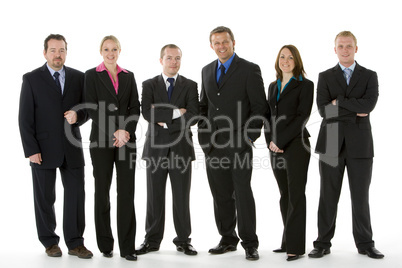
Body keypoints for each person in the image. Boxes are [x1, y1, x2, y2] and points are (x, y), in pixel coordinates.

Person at [308, 31, 384, 259]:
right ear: (335, 49)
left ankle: (365, 243)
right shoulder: (325, 76)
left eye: (349, 46)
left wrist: (338, 103)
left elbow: (369, 106)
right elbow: (323, 110)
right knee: (327, 195)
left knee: (360, 196)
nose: (345, 50)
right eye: (341, 46)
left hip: (360, 144)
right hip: (331, 140)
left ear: (356, 48)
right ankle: (322, 243)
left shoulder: (370, 75)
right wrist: (354, 110)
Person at [18, 34, 92, 259]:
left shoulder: (79, 77)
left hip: (72, 147)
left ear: (66, 52)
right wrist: (31, 149)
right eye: (53, 50)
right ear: (45, 53)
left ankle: (75, 243)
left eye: (61, 50)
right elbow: (24, 117)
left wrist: (77, 115)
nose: (57, 55)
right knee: (44, 198)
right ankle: (50, 242)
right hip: (42, 148)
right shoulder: (31, 79)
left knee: (76, 196)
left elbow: (89, 109)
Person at [198, 26, 268, 261]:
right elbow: (204, 106)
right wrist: (202, 134)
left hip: (239, 143)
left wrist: (248, 137)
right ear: (211, 45)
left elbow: (260, 108)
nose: (221, 46)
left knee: (242, 192)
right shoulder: (206, 70)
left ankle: (250, 242)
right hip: (213, 145)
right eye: (216, 43)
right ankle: (227, 239)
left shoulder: (249, 69)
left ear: (233, 42)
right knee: (220, 194)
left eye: (225, 42)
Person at [137, 44, 199, 256]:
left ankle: (183, 240)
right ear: (161, 60)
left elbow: (192, 115)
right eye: (170, 58)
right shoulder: (149, 85)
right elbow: (147, 112)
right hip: (156, 148)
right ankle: (151, 240)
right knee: (154, 197)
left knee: (182, 197)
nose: (174, 62)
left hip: (181, 148)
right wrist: (175, 114)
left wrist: (165, 120)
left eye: (177, 58)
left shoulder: (190, 85)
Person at [85, 35, 140, 261]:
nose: (111, 53)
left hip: (127, 140)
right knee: (102, 192)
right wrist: (113, 131)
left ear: (119, 51)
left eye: (114, 49)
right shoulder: (91, 75)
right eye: (107, 49)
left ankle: (128, 248)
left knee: (126, 193)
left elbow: (135, 107)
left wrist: (125, 131)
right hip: (101, 141)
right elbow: (92, 108)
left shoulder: (129, 76)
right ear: (101, 51)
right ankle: (106, 245)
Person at [265, 45, 313, 261]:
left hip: (296, 145)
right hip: (275, 146)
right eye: (282, 57)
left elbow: (302, 117)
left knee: (296, 195)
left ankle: (296, 246)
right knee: (284, 194)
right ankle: (287, 241)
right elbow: (268, 117)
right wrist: (270, 142)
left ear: (297, 61)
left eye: (290, 57)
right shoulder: (272, 86)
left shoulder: (306, 85)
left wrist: (280, 140)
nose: (285, 60)